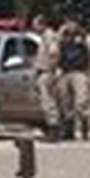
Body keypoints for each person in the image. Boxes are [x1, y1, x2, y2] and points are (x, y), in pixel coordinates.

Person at [58, 18, 90, 141]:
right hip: (65, 72)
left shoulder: (85, 37)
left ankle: (84, 129)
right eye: (67, 23)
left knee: (81, 102)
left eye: (71, 23)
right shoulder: (62, 38)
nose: (69, 26)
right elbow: (55, 52)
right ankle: (68, 131)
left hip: (79, 72)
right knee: (65, 103)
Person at [30, 14, 62, 142]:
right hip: (43, 72)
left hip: (46, 72)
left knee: (48, 102)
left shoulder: (49, 36)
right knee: (46, 102)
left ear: (41, 24)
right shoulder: (44, 37)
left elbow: (54, 54)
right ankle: (51, 129)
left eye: (35, 25)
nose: (34, 29)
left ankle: (53, 131)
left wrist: (51, 72)